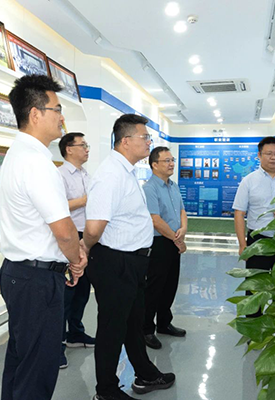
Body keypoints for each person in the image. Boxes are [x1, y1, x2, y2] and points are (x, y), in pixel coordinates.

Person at [0, 74, 87, 400]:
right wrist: (77, 261)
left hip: (19, 274)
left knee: (21, 361)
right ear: (35, 114)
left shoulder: (17, 155)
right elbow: (63, 231)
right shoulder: (37, 163)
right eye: (57, 109)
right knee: (37, 370)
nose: (62, 117)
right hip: (36, 280)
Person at [83, 114, 175, 400]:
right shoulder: (110, 174)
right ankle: (106, 391)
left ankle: (145, 373)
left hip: (132, 262)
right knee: (112, 329)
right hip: (115, 262)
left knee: (133, 323)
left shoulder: (127, 172)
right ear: (125, 141)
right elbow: (94, 227)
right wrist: (84, 249)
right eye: (145, 137)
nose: (149, 142)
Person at [233, 136, 275, 318]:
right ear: (259, 155)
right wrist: (242, 244)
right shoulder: (249, 181)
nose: (274, 157)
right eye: (269, 153)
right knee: (255, 285)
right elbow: (239, 213)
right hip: (258, 240)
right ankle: (253, 324)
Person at [141, 146, 188, 350]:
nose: (171, 164)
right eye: (166, 161)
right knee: (154, 287)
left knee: (170, 285)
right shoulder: (149, 188)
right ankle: (146, 329)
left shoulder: (174, 186)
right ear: (154, 165)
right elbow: (155, 219)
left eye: (172, 160)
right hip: (159, 242)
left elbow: (182, 211)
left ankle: (164, 323)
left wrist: (183, 229)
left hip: (174, 239)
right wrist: (177, 240)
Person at [57, 132, 95, 369]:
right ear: (69, 149)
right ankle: (57, 344)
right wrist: (84, 200)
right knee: (66, 292)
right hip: (70, 236)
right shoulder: (59, 175)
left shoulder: (87, 175)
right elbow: (57, 207)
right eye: (83, 145)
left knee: (82, 289)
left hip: (87, 236)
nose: (87, 149)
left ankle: (75, 332)